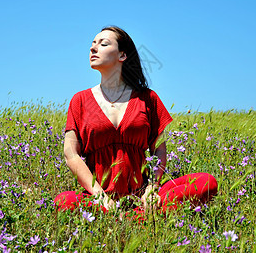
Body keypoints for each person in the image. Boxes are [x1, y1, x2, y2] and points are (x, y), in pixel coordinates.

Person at [55, 26, 217, 214]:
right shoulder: (80, 100)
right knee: (64, 201)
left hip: (142, 196)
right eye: (92, 44)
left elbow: (159, 150)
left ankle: (138, 214)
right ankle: (137, 219)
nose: (93, 48)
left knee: (206, 182)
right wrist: (99, 196)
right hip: (98, 199)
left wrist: (152, 188)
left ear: (122, 55)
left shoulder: (148, 98)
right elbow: (71, 155)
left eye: (103, 43)